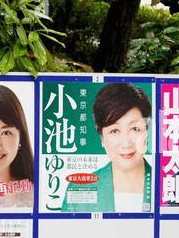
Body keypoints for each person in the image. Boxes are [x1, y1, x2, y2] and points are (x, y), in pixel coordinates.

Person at [63, 82, 153, 213]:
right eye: (114, 131)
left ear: (147, 131)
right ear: (102, 138)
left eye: (134, 128)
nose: (126, 143)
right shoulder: (79, 189)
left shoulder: (166, 184)